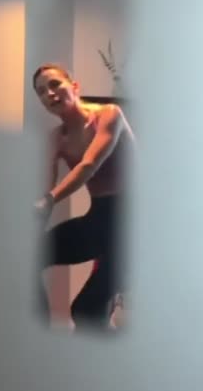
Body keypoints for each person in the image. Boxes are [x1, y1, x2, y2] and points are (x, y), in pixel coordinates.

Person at [32, 63, 134, 330]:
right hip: (100, 220)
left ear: (74, 86)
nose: (49, 93)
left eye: (55, 84)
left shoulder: (109, 115)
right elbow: (45, 191)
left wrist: (49, 199)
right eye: (41, 92)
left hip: (134, 226)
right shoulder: (57, 138)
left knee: (86, 310)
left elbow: (89, 165)